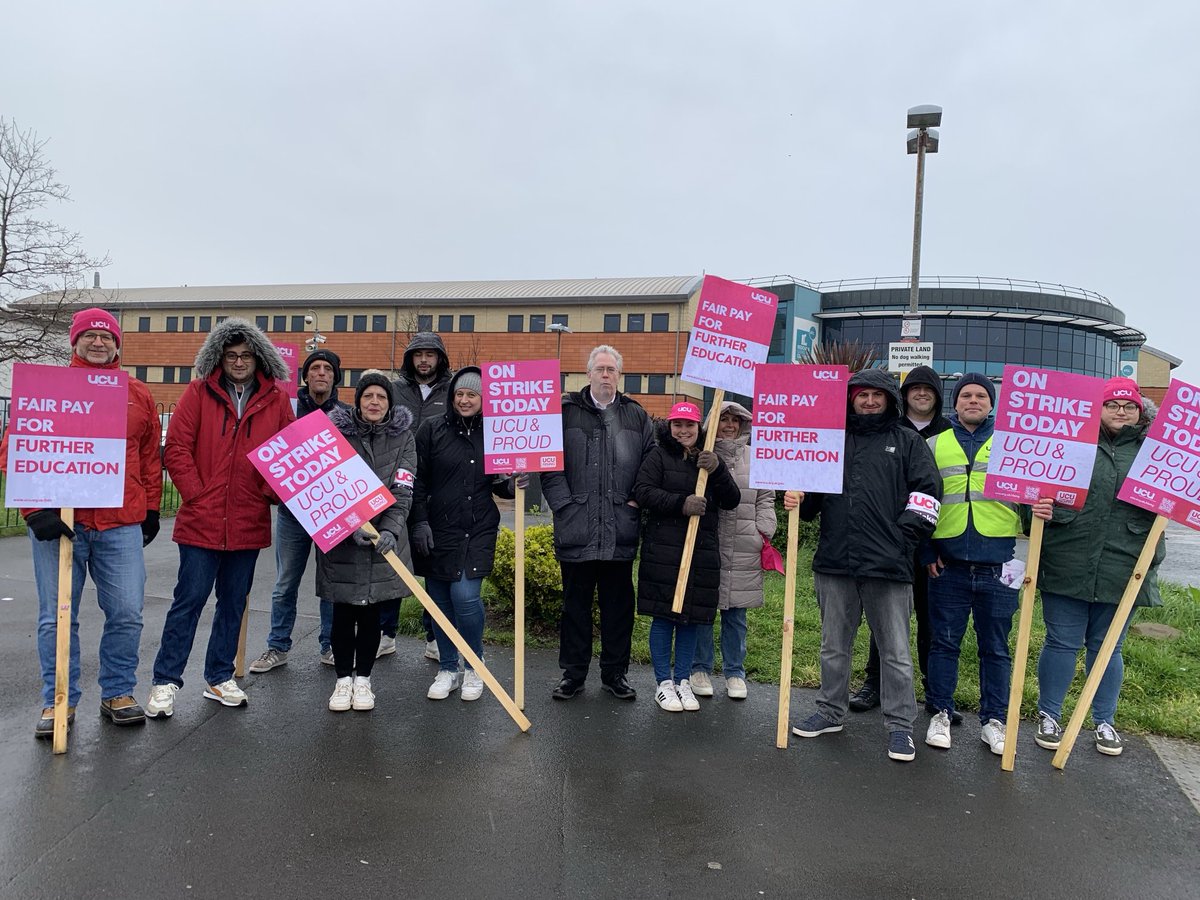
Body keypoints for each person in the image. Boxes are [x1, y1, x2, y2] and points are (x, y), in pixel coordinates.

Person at [0, 308, 162, 737]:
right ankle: (59, 702)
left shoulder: (137, 393)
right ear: (74, 342)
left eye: (106, 337)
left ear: (117, 344)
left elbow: (149, 457)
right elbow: (15, 449)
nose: (98, 342)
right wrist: (35, 511)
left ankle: (118, 692)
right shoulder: (48, 389)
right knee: (56, 617)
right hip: (60, 524)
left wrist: (148, 508)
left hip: (119, 523)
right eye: (89, 336)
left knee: (127, 611)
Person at [787, 368, 941, 762]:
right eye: (861, 395)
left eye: (877, 394)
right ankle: (829, 710)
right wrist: (795, 498)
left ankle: (900, 726)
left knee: (895, 651)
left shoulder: (907, 441)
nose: (869, 401)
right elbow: (812, 504)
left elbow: (928, 497)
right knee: (833, 647)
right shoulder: (830, 441)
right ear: (850, 399)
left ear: (890, 398)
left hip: (888, 568)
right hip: (835, 562)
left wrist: (899, 543)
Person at [146, 319, 294, 718]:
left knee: (233, 604)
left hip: (248, 521)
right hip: (201, 520)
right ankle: (165, 681)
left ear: (258, 357)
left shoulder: (277, 400)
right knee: (188, 601)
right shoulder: (197, 392)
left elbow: (287, 455)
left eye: (246, 355)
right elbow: (175, 448)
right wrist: (197, 494)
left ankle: (218, 676)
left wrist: (264, 493)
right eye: (231, 356)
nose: (239, 362)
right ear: (220, 358)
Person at [1029, 377, 1165, 757]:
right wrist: (1036, 509)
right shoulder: (1070, 443)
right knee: (1060, 643)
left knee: (1108, 648)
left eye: (1129, 406)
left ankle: (1104, 721)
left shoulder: (1153, 451)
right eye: (1112, 404)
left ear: (1141, 411)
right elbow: (1036, 489)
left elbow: (1171, 501)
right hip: (1068, 560)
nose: (1121, 411)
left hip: (1124, 566)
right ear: (1098, 408)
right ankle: (1049, 716)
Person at [541, 344, 654, 701]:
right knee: (575, 608)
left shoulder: (636, 416)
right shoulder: (564, 412)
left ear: (619, 375)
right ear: (587, 373)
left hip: (620, 528)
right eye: (600, 369)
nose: (606, 375)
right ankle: (572, 675)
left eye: (612, 370)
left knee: (618, 609)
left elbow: (651, 461)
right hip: (577, 528)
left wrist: (636, 498)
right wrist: (563, 506)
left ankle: (614, 674)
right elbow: (547, 462)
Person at [921, 374, 1022, 755]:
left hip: (1000, 564)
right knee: (944, 643)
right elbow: (921, 498)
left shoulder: (1013, 444)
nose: (974, 400)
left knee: (995, 647)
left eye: (981, 396)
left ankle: (994, 720)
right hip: (948, 565)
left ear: (991, 403)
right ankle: (940, 712)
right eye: (966, 395)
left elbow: (1029, 503)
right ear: (955, 403)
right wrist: (926, 551)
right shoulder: (934, 443)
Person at [409, 367, 523, 701]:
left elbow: (501, 482)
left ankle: (474, 665)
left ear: (484, 399)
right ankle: (448, 667)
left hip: (478, 528)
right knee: (440, 602)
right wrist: (419, 522)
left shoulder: (496, 432)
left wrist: (514, 484)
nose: (464, 400)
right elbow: (417, 480)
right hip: (437, 527)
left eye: (472, 394)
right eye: (459, 394)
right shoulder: (432, 430)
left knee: (465, 596)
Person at [850, 364, 951, 716]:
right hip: (884, 545)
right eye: (914, 388)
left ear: (938, 395)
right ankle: (873, 683)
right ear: (903, 395)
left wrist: (922, 542)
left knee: (929, 621)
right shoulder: (885, 427)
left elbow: (933, 493)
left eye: (929, 388)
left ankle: (934, 692)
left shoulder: (949, 433)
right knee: (884, 622)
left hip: (930, 545)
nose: (921, 393)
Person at [318, 371, 416, 712]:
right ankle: (343, 680)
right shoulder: (332, 436)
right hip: (343, 544)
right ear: (358, 402)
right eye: (368, 396)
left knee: (373, 612)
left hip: (383, 542)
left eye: (382, 397)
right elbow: (321, 487)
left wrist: (388, 529)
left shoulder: (404, 438)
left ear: (390, 405)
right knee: (343, 612)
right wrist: (349, 526)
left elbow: (404, 489)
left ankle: (364, 681)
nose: (375, 402)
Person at [634, 401, 740, 712]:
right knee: (665, 617)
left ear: (699, 429)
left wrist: (717, 469)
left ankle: (683, 680)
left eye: (689, 426)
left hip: (701, 552)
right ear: (669, 427)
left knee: (692, 618)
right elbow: (643, 491)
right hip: (665, 552)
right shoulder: (658, 456)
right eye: (678, 425)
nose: (683, 431)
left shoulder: (709, 460)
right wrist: (681, 503)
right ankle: (663, 684)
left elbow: (731, 499)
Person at [248, 349, 349, 673]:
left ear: (335, 377)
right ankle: (278, 646)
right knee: (285, 583)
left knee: (332, 583)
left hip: (331, 511)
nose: (321, 373)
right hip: (293, 512)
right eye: (315, 368)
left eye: (327, 369)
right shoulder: (286, 408)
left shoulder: (346, 415)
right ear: (305, 376)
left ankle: (330, 644)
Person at [690, 401, 777, 701]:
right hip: (708, 542)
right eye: (723, 419)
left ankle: (735, 672)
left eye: (735, 420)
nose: (729, 425)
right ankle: (699, 668)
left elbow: (767, 496)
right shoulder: (699, 456)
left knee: (736, 614)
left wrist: (763, 529)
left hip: (743, 544)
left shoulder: (756, 457)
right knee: (703, 610)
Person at [387, 331, 455, 660]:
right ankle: (386, 633)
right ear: (410, 358)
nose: (424, 360)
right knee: (390, 560)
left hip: (436, 488)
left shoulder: (451, 391)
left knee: (432, 562)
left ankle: (433, 635)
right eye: (418, 354)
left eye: (430, 354)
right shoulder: (394, 390)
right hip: (396, 484)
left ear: (440, 358)